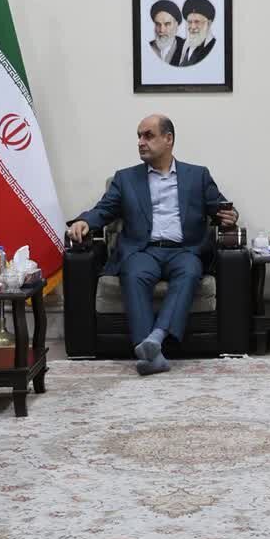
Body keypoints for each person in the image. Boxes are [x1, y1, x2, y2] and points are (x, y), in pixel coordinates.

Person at [66, 114, 237, 375]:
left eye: (148, 135)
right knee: (133, 274)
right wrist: (84, 221)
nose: (141, 142)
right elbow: (104, 209)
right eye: (139, 136)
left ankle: (154, 339)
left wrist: (230, 216)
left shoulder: (197, 175)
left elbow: (221, 208)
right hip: (143, 250)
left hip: (184, 250)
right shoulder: (125, 178)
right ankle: (149, 350)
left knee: (190, 271)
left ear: (168, 139)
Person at [179, 0, 217, 66]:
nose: (193, 27)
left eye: (197, 22)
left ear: (208, 24)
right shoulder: (184, 46)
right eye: (189, 22)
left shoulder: (213, 47)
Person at [148, 0, 185, 66]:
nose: (161, 30)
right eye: (158, 24)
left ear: (176, 26)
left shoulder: (186, 49)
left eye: (167, 24)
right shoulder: (148, 47)